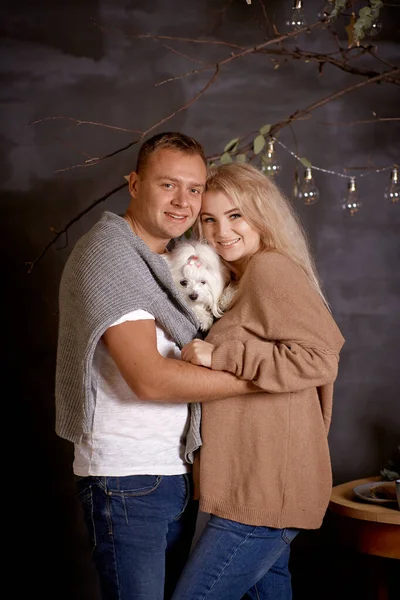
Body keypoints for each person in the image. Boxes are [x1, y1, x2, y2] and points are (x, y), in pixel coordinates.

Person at [55, 133, 258, 600]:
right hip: (127, 478)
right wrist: (256, 379)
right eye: (168, 185)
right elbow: (149, 379)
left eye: (193, 189)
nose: (183, 201)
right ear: (134, 183)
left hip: (171, 472)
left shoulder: (168, 263)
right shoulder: (111, 257)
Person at [171, 162, 345, 600]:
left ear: (261, 216)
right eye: (208, 219)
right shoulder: (244, 277)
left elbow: (320, 358)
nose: (220, 231)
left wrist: (222, 354)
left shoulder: (270, 270)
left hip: (267, 490)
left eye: (235, 216)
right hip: (258, 485)